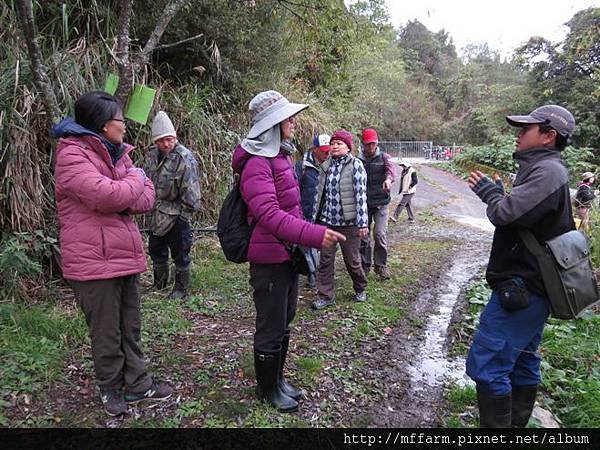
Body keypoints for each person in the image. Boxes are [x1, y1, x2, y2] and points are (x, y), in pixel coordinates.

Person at [52, 91, 172, 417]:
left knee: (129, 326)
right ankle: (110, 388)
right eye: (120, 119)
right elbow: (108, 196)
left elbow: (145, 199)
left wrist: (127, 188)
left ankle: (138, 383)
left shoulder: (117, 153)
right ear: (105, 125)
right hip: (92, 261)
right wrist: (133, 179)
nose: (125, 125)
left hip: (124, 254)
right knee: (106, 331)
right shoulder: (72, 155)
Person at [231, 90, 345, 412]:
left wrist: (303, 238)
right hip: (269, 259)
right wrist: (313, 235)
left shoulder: (280, 157)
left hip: (286, 255)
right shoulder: (257, 164)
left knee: (285, 319)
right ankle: (267, 390)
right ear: (273, 125)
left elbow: (292, 210)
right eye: (288, 118)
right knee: (270, 325)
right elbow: (269, 215)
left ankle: (278, 381)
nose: (293, 122)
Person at [465, 105, 576, 428]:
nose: (518, 134)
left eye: (526, 129)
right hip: (532, 288)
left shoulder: (548, 172)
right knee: (523, 361)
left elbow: (505, 213)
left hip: (522, 289)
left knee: (487, 365)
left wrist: (492, 194)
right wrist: (498, 195)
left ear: (548, 136)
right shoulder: (543, 168)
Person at [145, 111, 202, 299]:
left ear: (175, 137)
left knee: (180, 253)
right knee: (156, 250)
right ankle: (159, 283)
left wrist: (183, 217)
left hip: (177, 214)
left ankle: (180, 289)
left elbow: (192, 194)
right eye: (161, 141)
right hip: (155, 213)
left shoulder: (184, 158)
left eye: (169, 139)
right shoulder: (152, 156)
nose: (166, 144)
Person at [312, 129, 369, 309]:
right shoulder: (326, 165)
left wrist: (362, 222)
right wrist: (315, 218)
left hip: (349, 224)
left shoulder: (356, 165)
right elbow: (319, 193)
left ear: (348, 147)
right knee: (325, 260)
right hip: (328, 222)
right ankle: (325, 295)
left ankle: (360, 287)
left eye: (339, 143)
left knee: (352, 260)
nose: (335, 146)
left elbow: (360, 195)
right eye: (333, 143)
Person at [358, 128, 396, 280]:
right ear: (363, 144)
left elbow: (391, 171)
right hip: (364, 204)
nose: (371, 147)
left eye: (373, 144)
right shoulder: (358, 160)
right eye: (368, 144)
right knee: (364, 237)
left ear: (377, 143)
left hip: (381, 203)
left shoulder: (384, 157)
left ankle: (381, 265)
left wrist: (388, 180)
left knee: (379, 234)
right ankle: (365, 265)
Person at [295, 134, 331, 288]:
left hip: (323, 214)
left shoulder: (330, 166)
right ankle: (312, 273)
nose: (327, 153)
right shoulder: (302, 167)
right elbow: (295, 190)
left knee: (320, 245)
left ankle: (317, 272)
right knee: (307, 244)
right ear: (315, 149)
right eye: (323, 150)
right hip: (306, 213)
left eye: (328, 150)